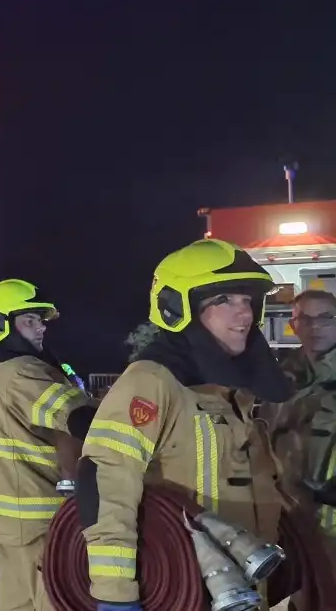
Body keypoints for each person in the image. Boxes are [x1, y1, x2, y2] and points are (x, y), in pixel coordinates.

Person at [77, 238, 294, 611]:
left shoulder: (234, 390)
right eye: (224, 300)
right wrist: (115, 594)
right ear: (178, 307)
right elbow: (105, 480)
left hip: (244, 589)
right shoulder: (152, 382)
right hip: (182, 589)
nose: (243, 315)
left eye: (247, 301)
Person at [0, 279, 95, 611]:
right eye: (30, 321)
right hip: (43, 523)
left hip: (7, 521)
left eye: (41, 321)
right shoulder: (24, 373)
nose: (41, 330)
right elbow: (81, 419)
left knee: (17, 602)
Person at [264, 289, 336, 605]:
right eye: (305, 318)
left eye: (326, 318)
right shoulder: (280, 378)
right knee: (304, 595)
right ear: (293, 325)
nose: (315, 327)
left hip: (332, 514)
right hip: (292, 514)